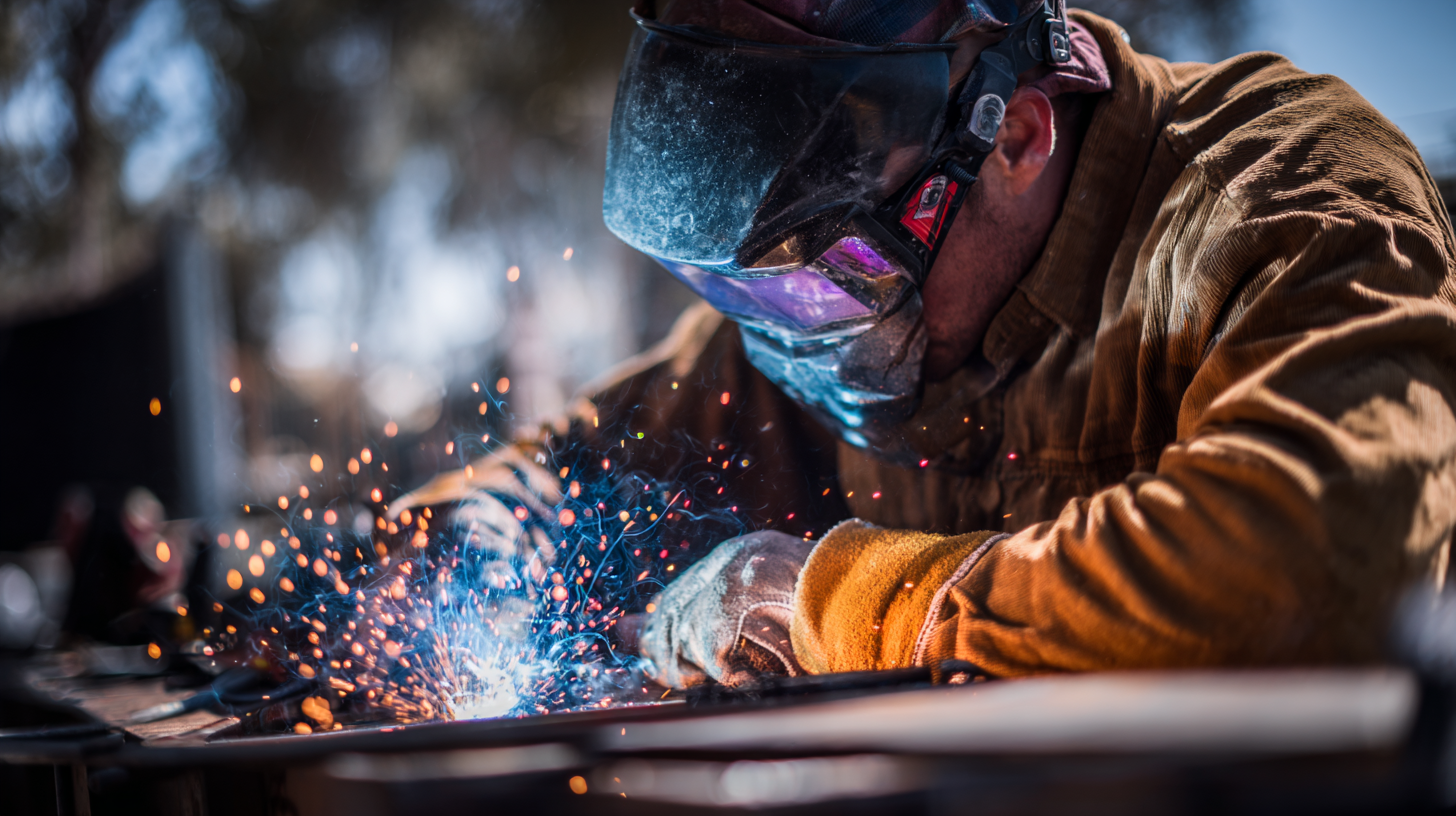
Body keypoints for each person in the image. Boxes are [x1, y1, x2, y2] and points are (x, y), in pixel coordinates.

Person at [401, 0, 1456, 688]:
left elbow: (1316, 555)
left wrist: (828, 600)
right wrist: (464, 559)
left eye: (830, 275)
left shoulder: (1277, 197)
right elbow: (549, 477)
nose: (796, 333)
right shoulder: (791, 321)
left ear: (1016, 136)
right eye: (740, 292)